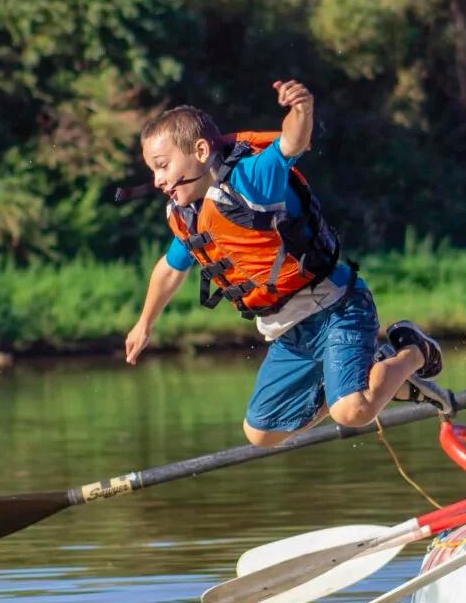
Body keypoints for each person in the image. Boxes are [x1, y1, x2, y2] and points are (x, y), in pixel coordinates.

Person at [123, 80, 447, 446]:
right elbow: (170, 269)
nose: (158, 180)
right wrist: (143, 325)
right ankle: (374, 379)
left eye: (163, 166)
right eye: (152, 171)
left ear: (200, 150)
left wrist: (302, 109)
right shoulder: (189, 217)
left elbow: (291, 144)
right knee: (260, 433)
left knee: (351, 412)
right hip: (291, 333)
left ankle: (413, 350)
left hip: (338, 308)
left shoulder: (249, 180)